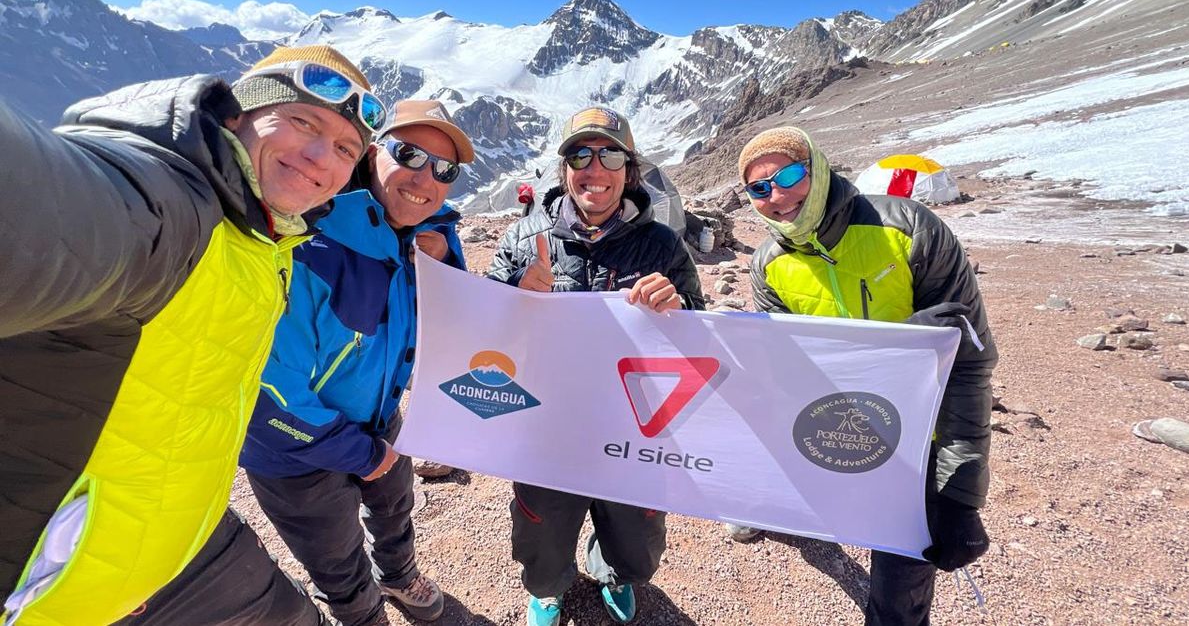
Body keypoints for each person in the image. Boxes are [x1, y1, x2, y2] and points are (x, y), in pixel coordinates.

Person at [0, 44, 383, 625]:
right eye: (303, 121)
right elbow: (41, 205)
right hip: (51, 592)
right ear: (237, 115)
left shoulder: (265, 235)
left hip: (185, 543)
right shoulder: (167, 208)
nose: (318, 157)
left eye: (344, 149)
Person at [736, 127, 998, 625]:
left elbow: (969, 365)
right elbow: (787, 375)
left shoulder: (908, 228)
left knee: (899, 594)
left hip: (921, 447)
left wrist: (959, 491)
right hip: (842, 434)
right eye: (759, 188)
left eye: (789, 175)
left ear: (817, 167)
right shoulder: (769, 265)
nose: (777, 196)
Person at [238, 99, 474, 626]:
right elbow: (264, 392)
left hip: (380, 416)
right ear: (372, 154)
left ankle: (397, 575)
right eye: (409, 154)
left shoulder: (429, 232)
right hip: (294, 452)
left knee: (395, 508)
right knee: (335, 557)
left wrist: (449, 266)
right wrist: (364, 455)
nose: (425, 177)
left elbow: (457, 324)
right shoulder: (302, 242)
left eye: (445, 169)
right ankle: (363, 615)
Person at [487, 107, 704, 626]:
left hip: (636, 424)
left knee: (636, 528)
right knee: (541, 526)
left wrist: (678, 309)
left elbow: (701, 332)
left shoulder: (661, 244)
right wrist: (514, 298)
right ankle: (547, 588)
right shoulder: (524, 239)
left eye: (609, 155)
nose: (595, 167)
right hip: (544, 425)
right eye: (580, 155)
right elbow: (483, 329)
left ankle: (615, 573)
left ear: (629, 171)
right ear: (563, 170)